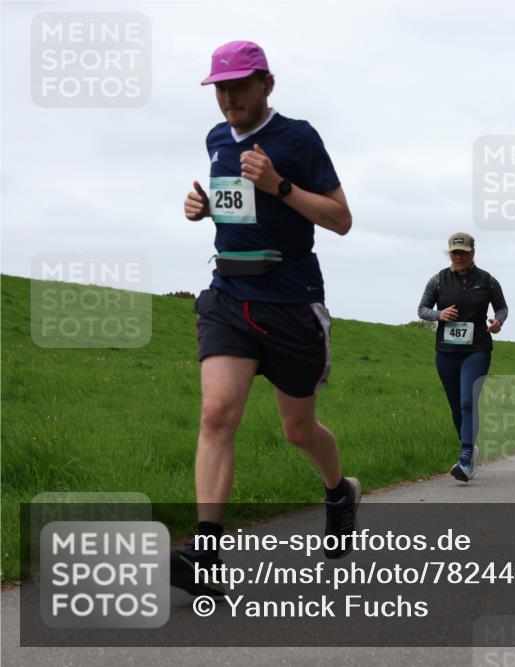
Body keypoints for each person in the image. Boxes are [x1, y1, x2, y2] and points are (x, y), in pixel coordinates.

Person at [173, 40, 358, 598]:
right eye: (220, 89)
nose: (228, 98)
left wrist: (280, 184)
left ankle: (339, 491)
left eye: (239, 86)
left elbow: (342, 219)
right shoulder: (215, 140)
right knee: (216, 413)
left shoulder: (298, 138)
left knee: (298, 430)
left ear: (266, 84)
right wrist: (203, 208)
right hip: (229, 294)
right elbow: (239, 211)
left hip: (290, 299)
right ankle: (206, 554)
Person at [418, 232, 508, 482]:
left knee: (468, 401)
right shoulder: (438, 280)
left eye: (463, 253)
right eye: (455, 253)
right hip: (446, 352)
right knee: (456, 406)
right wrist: (439, 315)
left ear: (472, 254)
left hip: (477, 349)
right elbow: (422, 309)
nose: (458, 257)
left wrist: (498, 321)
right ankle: (469, 447)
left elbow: (502, 307)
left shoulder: (487, 280)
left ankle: (466, 458)